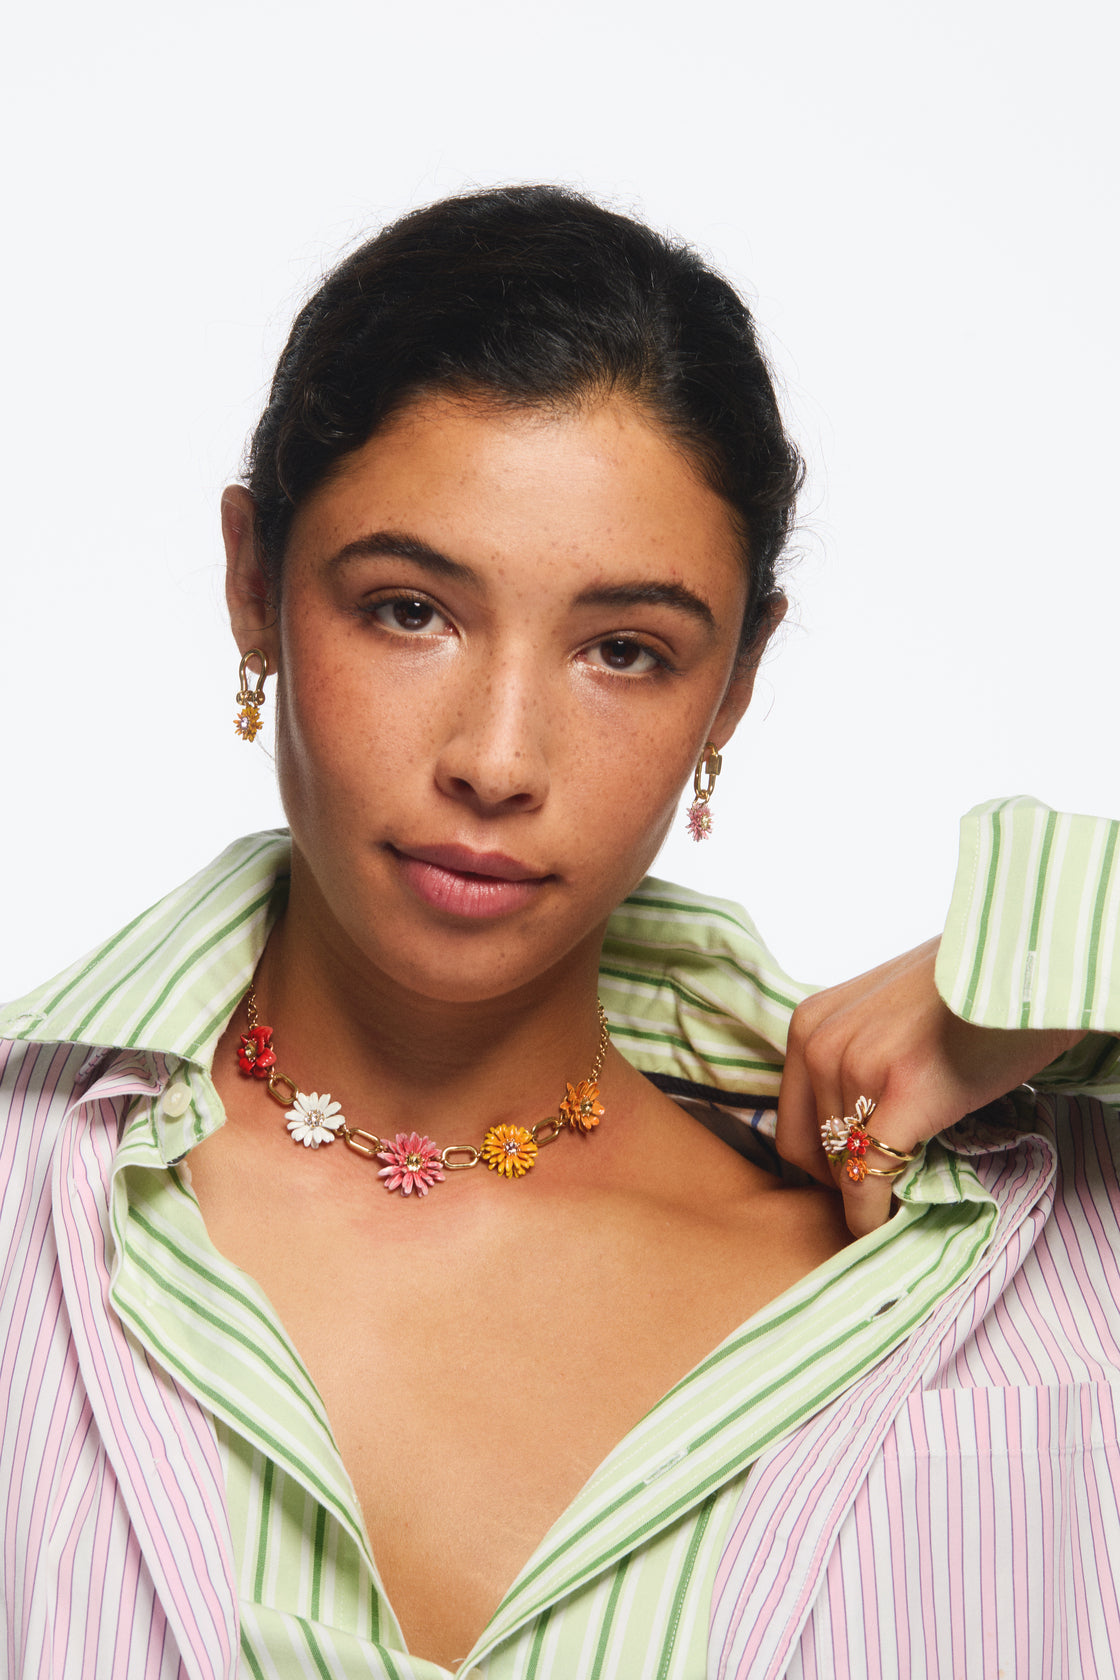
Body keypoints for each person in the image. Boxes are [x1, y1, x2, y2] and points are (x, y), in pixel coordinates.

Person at [0, 185, 1116, 1680]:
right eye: (410, 610)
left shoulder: (1027, 1277)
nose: (500, 758)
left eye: (624, 651)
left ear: (734, 685)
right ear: (253, 585)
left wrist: (1050, 955)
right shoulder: (34, 1208)